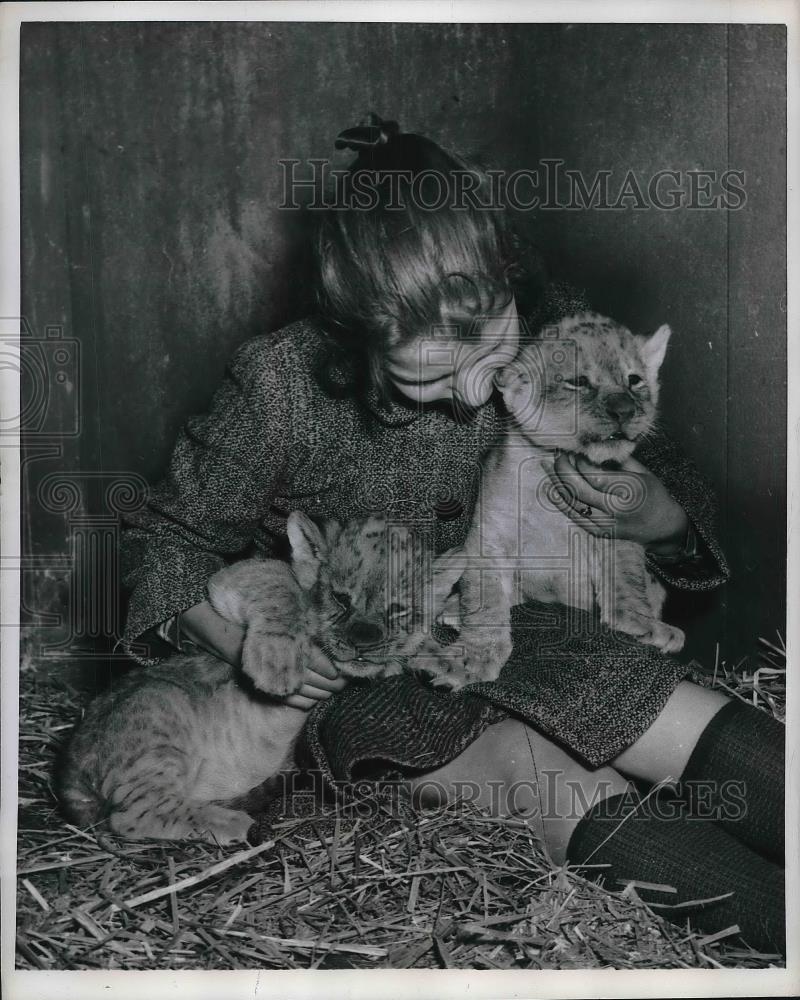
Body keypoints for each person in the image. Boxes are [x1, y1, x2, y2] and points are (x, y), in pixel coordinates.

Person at [120, 118, 784, 955]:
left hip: (524, 626)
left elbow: (670, 481)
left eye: (489, 341)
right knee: (539, 773)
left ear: (508, 276)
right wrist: (262, 648)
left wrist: (661, 517)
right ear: (355, 339)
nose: (475, 390)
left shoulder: (558, 338)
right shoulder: (280, 384)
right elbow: (163, 544)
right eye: (429, 374)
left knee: (666, 714)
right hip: (358, 675)